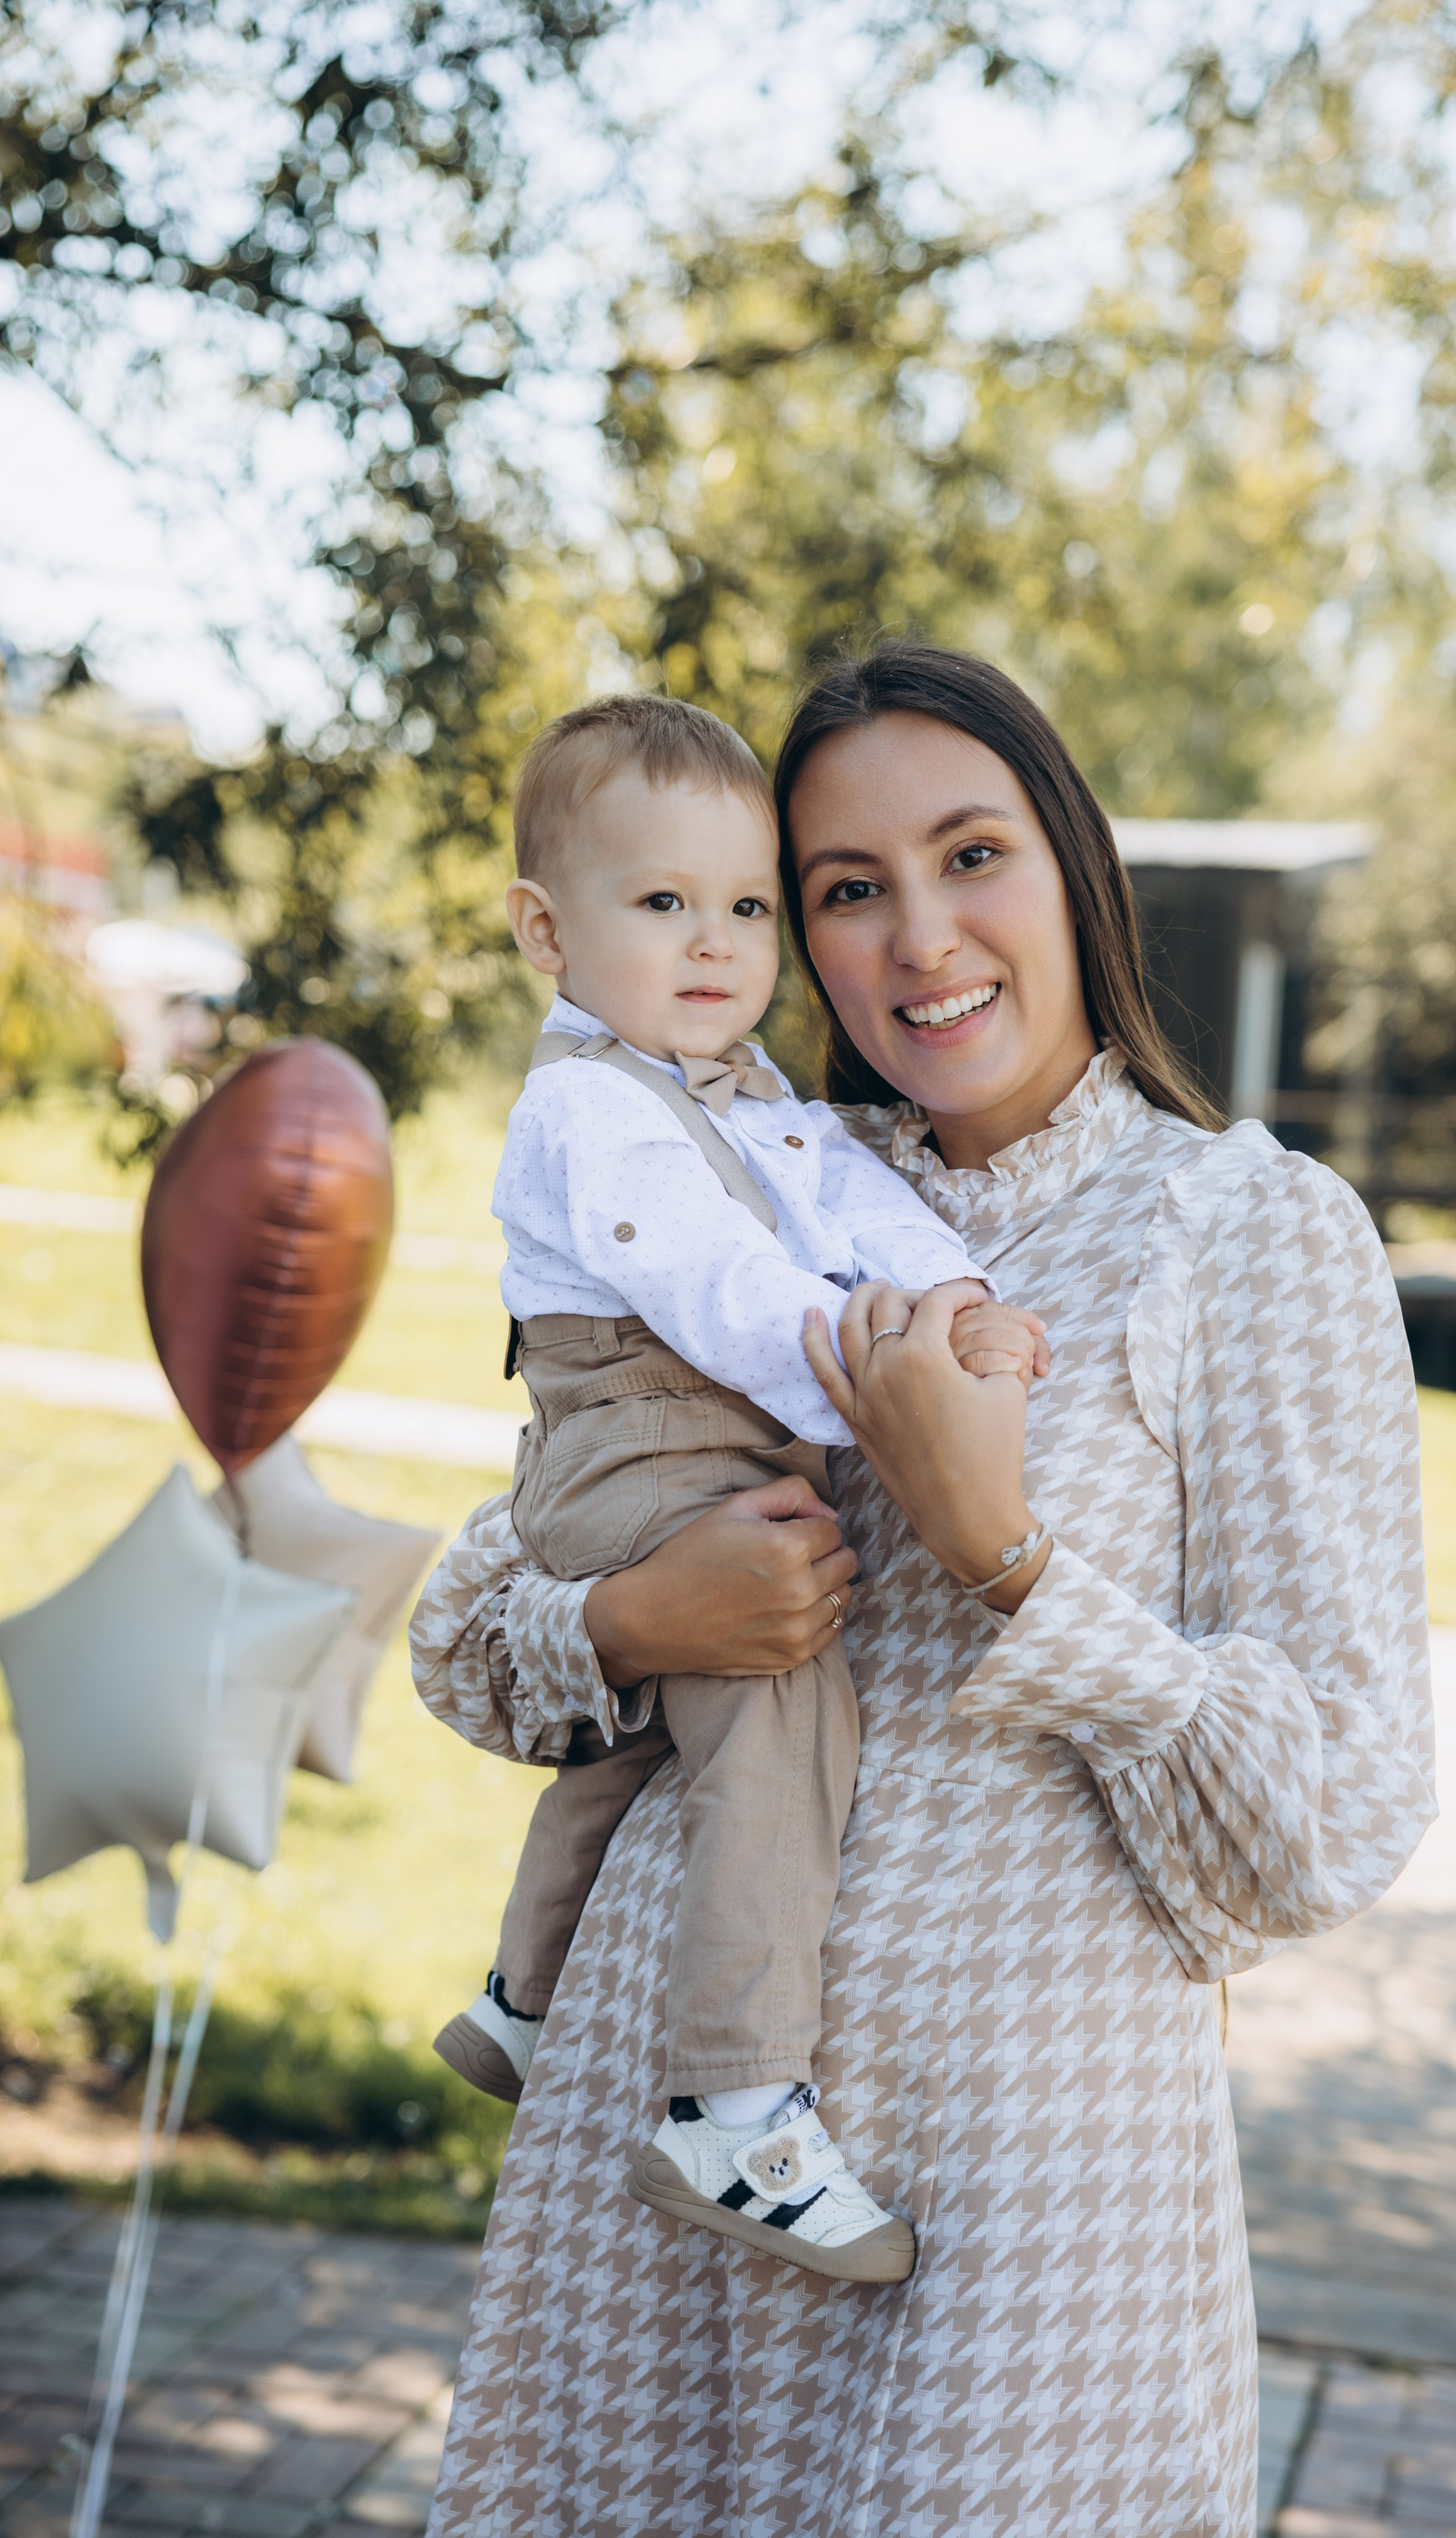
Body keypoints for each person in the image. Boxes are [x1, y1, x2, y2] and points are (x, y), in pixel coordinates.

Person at [413, 644, 1434, 2537]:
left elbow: (1329, 1816)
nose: (919, 937)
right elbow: (469, 1632)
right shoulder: (740, 1171)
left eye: (972, 855)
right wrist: (642, 1625)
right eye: (845, 890)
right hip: (664, 2141)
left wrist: (1009, 1560)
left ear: (1073, 868)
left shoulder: (1248, 1229)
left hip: (1022, 2187)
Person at [425, 693, 1047, 2286]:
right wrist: (868, 1374)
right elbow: (708, 1287)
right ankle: (732, 2103)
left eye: (748, 907)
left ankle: (520, 1995)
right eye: (661, 905)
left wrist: (955, 1296)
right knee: (779, 1699)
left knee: (648, 1745)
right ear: (544, 932)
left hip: (713, 1438)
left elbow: (858, 1201)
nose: (714, 945)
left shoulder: (752, 1087)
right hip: (634, 1442)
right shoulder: (589, 1107)